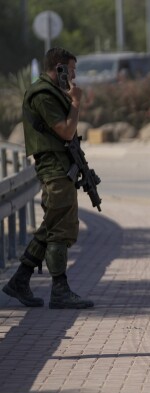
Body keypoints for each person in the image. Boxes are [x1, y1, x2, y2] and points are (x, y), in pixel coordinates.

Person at [1, 47, 94, 309]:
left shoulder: (54, 93)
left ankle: (22, 279)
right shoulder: (42, 94)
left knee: (57, 227)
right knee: (57, 228)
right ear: (59, 68)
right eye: (71, 70)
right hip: (53, 169)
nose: (74, 77)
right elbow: (65, 131)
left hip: (61, 167)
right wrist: (75, 103)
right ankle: (58, 290)